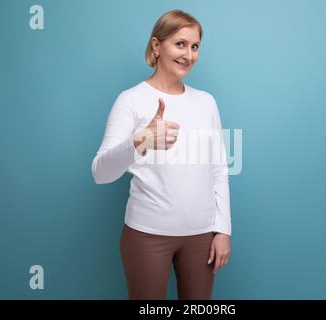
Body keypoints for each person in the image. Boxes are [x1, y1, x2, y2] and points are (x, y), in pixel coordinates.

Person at [91, 9, 231, 300]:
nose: (189, 55)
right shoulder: (131, 100)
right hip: (147, 236)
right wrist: (140, 140)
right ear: (157, 46)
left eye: (195, 47)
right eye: (180, 44)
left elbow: (218, 168)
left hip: (202, 236)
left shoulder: (206, 102)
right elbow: (101, 173)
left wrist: (223, 230)